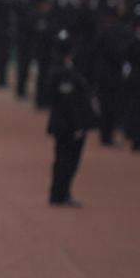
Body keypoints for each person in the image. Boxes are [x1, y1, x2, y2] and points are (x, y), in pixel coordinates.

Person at [45, 32, 95, 207]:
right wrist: (78, 125)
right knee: (66, 160)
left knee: (66, 160)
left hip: (66, 123)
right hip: (68, 124)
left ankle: (62, 192)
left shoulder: (65, 68)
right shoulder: (61, 72)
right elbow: (68, 102)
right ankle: (59, 193)